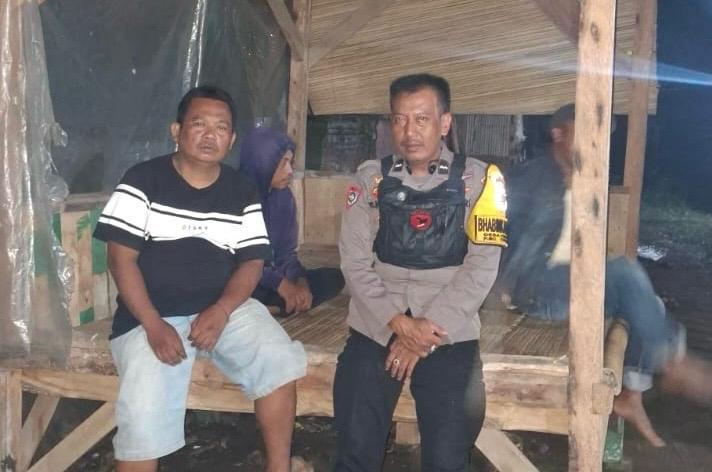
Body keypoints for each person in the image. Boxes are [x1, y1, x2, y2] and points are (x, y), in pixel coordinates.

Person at [492, 103, 712, 447]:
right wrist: (503, 285)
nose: (595, 142)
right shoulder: (530, 178)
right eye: (585, 132)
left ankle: (631, 395)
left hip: (569, 285)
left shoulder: (585, 178)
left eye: (599, 135)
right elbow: (498, 230)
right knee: (623, 272)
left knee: (647, 304)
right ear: (558, 134)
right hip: (535, 288)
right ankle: (674, 364)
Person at [93, 85, 306, 472]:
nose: (210, 135)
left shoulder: (240, 190)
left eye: (221, 127)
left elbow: (251, 263)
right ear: (176, 130)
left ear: (232, 139)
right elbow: (120, 261)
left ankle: (280, 468)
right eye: (199, 124)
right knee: (142, 410)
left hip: (224, 307)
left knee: (278, 360)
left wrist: (222, 310)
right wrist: (153, 324)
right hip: (150, 314)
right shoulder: (142, 181)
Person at [334, 73, 504, 471]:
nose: (409, 131)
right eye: (400, 119)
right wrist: (398, 323)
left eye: (422, 119)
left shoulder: (481, 181)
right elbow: (354, 262)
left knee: (447, 454)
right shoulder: (370, 179)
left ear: (444, 123)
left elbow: (482, 267)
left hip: (449, 328)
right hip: (377, 323)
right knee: (355, 444)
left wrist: (423, 333)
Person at [239, 127, 344, 317]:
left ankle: (275, 307)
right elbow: (241, 258)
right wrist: (281, 285)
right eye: (283, 163)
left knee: (334, 278)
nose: (289, 171)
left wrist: (300, 283)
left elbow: (287, 253)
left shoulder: (283, 197)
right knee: (233, 284)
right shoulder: (236, 196)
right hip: (245, 278)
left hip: (274, 280)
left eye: (291, 162)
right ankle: (274, 307)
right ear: (263, 162)